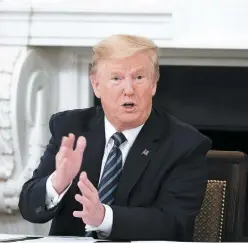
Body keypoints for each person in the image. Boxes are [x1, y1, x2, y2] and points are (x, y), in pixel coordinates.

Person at [18, 34, 212, 241]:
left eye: (139, 78)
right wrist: (57, 182)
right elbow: (29, 208)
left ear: (154, 84)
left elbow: (174, 223)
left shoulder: (184, 144)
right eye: (116, 78)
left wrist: (103, 217)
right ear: (96, 85)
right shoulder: (70, 127)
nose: (129, 90)